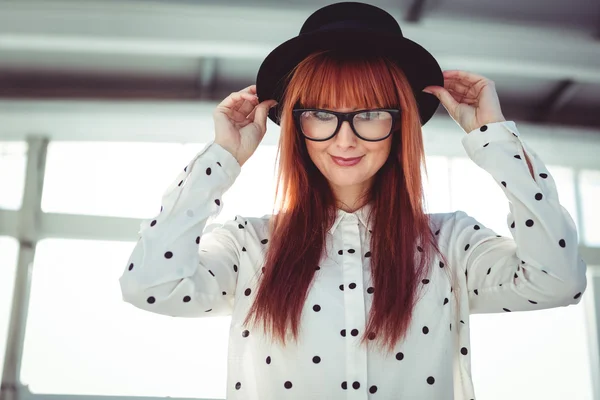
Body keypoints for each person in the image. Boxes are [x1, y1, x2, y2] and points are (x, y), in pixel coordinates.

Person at [118, 2, 587, 399]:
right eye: (321, 115)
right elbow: (151, 286)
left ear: (399, 123)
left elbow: (558, 280)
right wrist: (221, 159)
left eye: (370, 115)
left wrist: (496, 140)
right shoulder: (249, 246)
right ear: (298, 126)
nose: (345, 140)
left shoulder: (452, 243)